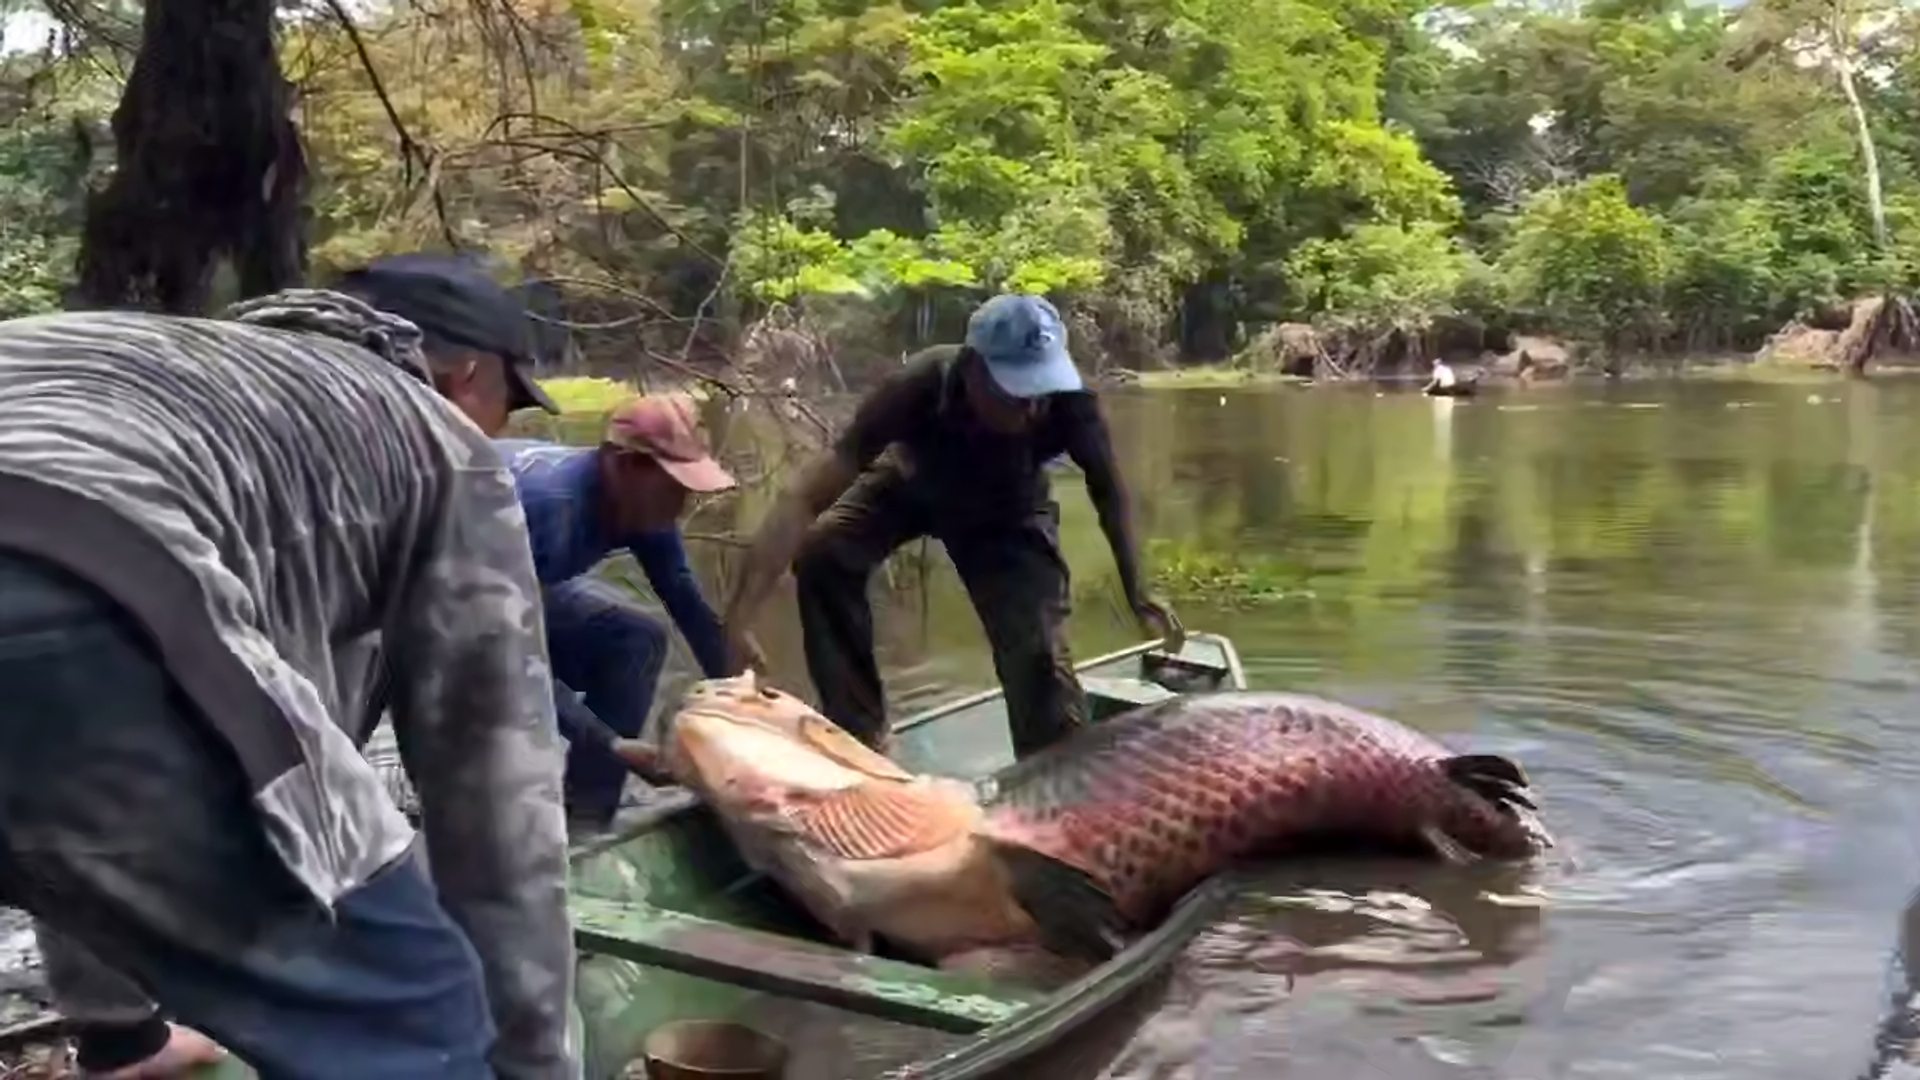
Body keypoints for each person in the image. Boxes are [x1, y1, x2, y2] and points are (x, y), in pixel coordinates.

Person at [1, 258, 577, 1080]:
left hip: (72, 561)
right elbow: (495, 799)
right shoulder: (436, 438)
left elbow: (83, 787)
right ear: (465, 375)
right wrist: (534, 1062)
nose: (501, 432)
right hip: (72, 574)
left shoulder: (173, 376)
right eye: (508, 406)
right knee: (416, 1014)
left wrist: (118, 1029)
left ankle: (125, 1044)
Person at [719, 293, 1175, 759]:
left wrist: (1137, 587)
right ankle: (861, 731)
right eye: (1015, 392)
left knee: (1037, 652)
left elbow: (1111, 493)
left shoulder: (1072, 403)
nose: (1032, 410)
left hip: (1008, 511)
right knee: (824, 551)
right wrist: (741, 614)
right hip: (914, 485)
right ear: (973, 368)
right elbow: (803, 498)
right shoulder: (918, 385)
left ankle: (1048, 780)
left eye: (1041, 390)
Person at [496, 393, 754, 833]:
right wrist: (611, 743)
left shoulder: (643, 507)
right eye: (674, 486)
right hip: (435, 607)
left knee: (638, 639)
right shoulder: (548, 510)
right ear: (622, 465)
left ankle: (587, 817)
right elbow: (508, 656)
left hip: (520, 592)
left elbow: (688, 605)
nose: (683, 503)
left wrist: (746, 703)